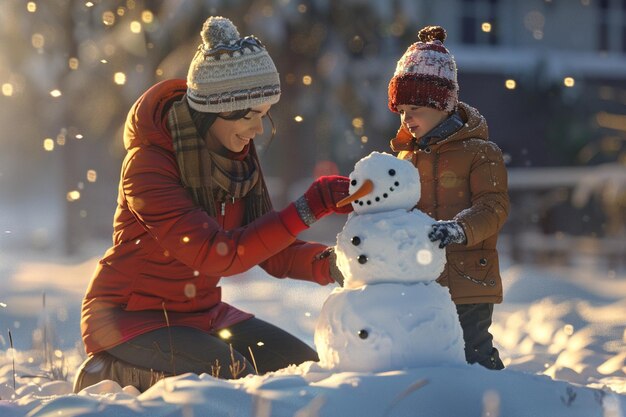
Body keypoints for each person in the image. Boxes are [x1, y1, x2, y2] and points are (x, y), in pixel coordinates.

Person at [73, 16, 351, 392]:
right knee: (231, 375)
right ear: (212, 110)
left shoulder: (238, 157)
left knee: (301, 368)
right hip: (130, 318)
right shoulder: (148, 165)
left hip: (201, 312)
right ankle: (109, 372)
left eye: (264, 116)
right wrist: (310, 206)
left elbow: (272, 251)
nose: (256, 130)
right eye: (249, 115)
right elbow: (217, 255)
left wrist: (340, 265)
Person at [387, 26, 510, 370]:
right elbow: (395, 211)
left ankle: (502, 400)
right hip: (423, 279)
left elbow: (494, 206)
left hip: (469, 276)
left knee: (473, 353)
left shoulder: (480, 153)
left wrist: (459, 229)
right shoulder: (406, 158)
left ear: (442, 105)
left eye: (415, 108)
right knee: (431, 355)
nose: (406, 118)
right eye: (401, 110)